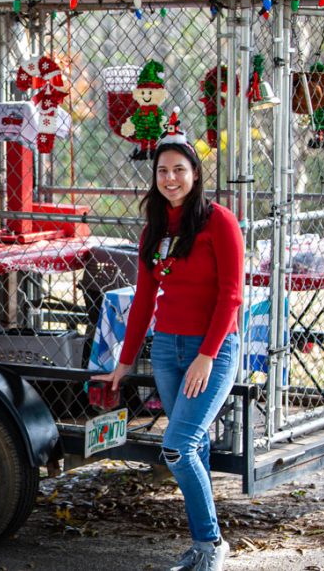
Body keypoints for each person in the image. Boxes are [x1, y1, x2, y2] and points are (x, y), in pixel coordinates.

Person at [94, 125, 243, 571]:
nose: (171, 178)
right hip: (167, 350)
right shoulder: (153, 229)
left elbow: (231, 294)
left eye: (180, 169)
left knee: (178, 445)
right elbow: (143, 301)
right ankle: (203, 546)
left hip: (209, 352)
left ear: (195, 174)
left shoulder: (219, 220)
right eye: (163, 170)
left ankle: (211, 543)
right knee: (190, 449)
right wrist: (123, 363)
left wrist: (207, 354)